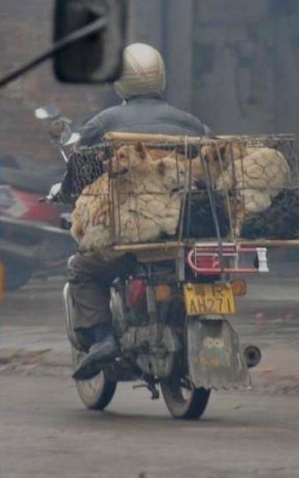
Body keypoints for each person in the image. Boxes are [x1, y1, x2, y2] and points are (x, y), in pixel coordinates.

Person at [63, 43, 209, 381]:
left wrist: (66, 191)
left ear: (121, 82)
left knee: (84, 269)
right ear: (161, 77)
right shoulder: (190, 123)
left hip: (132, 237)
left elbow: (79, 169)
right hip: (183, 235)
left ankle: (101, 340)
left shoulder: (105, 122)